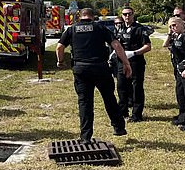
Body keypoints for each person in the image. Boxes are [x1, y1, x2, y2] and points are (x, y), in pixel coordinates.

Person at [55, 8, 132, 143]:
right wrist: (126, 63)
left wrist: (60, 62)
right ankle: (119, 127)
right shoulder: (99, 28)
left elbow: (59, 47)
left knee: (85, 103)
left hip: (81, 69)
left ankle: (85, 137)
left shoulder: (72, 29)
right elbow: (116, 45)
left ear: (80, 16)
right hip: (100, 68)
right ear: (93, 16)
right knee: (109, 98)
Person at [115, 6, 151, 122]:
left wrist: (134, 53)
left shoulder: (140, 29)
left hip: (136, 62)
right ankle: (122, 112)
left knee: (136, 88)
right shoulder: (119, 28)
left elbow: (148, 46)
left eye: (129, 14)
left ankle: (136, 114)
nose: (127, 16)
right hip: (121, 62)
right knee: (121, 87)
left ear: (133, 14)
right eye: (124, 14)